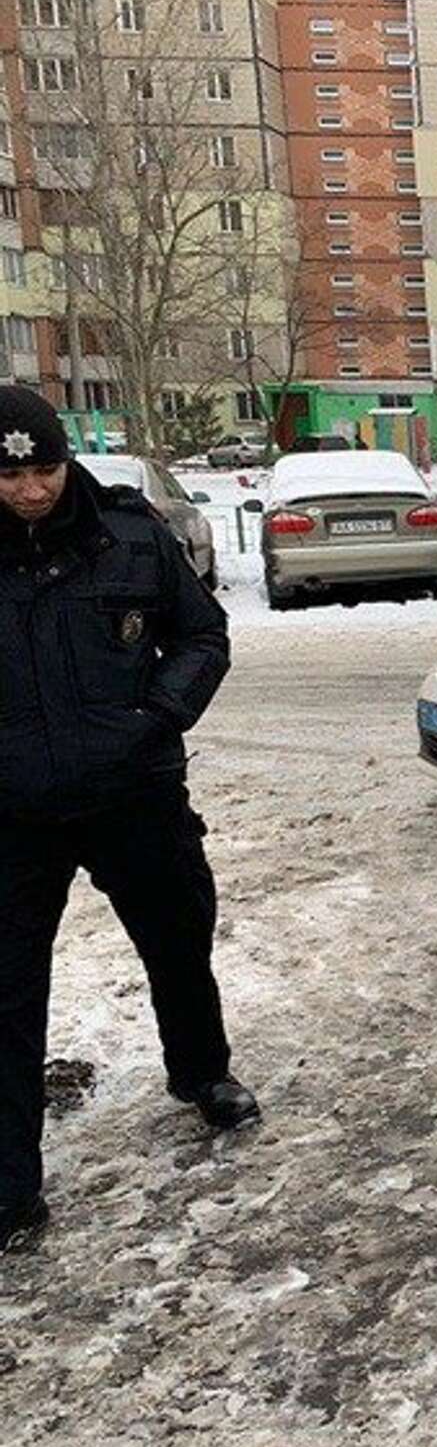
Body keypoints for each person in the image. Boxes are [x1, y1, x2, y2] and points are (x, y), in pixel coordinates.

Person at [0, 386, 257, 1254]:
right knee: (8, 990)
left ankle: (203, 1073)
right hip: (14, 814)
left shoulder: (130, 535)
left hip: (134, 793)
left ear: (65, 460)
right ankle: (11, 1186)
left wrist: (159, 717)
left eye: (44, 469)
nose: (31, 489)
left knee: (179, 941)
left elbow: (203, 636)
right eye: (10, 476)